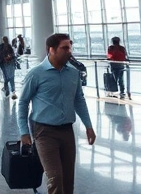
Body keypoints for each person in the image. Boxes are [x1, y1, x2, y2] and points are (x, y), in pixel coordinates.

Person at [18, 33, 96, 194]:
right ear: (51, 50)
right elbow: (23, 102)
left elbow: (79, 100)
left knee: (68, 180)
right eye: (65, 48)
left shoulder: (73, 73)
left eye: (70, 47)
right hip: (44, 132)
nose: (69, 51)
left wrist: (88, 126)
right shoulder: (36, 74)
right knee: (55, 178)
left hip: (67, 130)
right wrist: (24, 131)